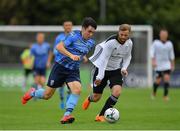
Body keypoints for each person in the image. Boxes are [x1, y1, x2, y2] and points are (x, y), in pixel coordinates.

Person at [21, 17, 97, 124]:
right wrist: (71, 55)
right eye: (89, 31)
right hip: (60, 67)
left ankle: (66, 115)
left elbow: (81, 52)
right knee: (47, 95)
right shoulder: (73, 36)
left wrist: (82, 57)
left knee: (77, 89)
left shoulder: (91, 43)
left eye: (93, 32)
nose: (90, 34)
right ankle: (33, 92)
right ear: (83, 28)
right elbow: (59, 47)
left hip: (73, 70)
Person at [82, 24, 133, 122]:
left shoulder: (129, 43)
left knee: (117, 92)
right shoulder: (111, 43)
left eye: (125, 35)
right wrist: (100, 77)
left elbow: (128, 57)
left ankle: (100, 115)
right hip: (102, 69)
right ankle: (89, 98)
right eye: (121, 34)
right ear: (119, 32)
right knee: (96, 98)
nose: (123, 37)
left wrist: (124, 68)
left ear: (129, 34)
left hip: (115, 70)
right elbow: (104, 59)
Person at [150, 29, 175, 101]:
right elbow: (152, 53)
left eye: (165, 34)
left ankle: (165, 96)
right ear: (160, 35)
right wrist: (153, 61)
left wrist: (172, 65)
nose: (164, 35)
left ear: (167, 35)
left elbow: (171, 55)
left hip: (167, 64)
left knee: (167, 78)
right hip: (158, 65)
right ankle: (154, 93)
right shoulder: (156, 43)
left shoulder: (169, 44)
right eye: (162, 34)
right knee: (158, 80)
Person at [53, 20, 73, 109]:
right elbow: (55, 49)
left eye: (69, 25)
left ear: (71, 26)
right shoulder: (59, 38)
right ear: (63, 27)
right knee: (61, 85)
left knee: (71, 84)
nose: (68, 27)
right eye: (66, 25)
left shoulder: (74, 37)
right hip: (61, 64)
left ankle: (68, 100)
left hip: (71, 64)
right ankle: (62, 100)